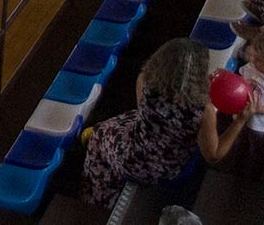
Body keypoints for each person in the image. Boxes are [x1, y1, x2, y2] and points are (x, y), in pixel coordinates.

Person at [81, 37, 250, 205]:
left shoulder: (145, 80)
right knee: (104, 131)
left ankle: (99, 194)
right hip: (164, 166)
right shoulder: (203, 110)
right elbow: (213, 155)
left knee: (99, 135)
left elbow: (143, 112)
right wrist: (240, 121)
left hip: (135, 153)